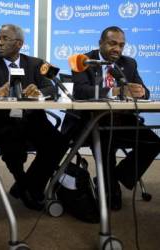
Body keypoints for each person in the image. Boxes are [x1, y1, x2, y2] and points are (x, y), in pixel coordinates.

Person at [0, 24, 69, 211]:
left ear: (19, 44)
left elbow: (52, 88)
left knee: (59, 142)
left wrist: (38, 92)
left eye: (4, 39)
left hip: (33, 120)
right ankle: (25, 187)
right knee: (13, 141)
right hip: (1, 122)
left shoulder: (35, 63)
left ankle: (28, 185)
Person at [62, 26, 160, 211]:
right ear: (100, 43)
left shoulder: (129, 63)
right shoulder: (81, 60)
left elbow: (144, 90)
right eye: (112, 43)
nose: (118, 49)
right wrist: (114, 91)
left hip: (122, 120)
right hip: (90, 122)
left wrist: (141, 92)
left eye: (121, 45)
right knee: (107, 141)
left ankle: (113, 177)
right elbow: (81, 91)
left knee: (153, 142)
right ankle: (109, 187)